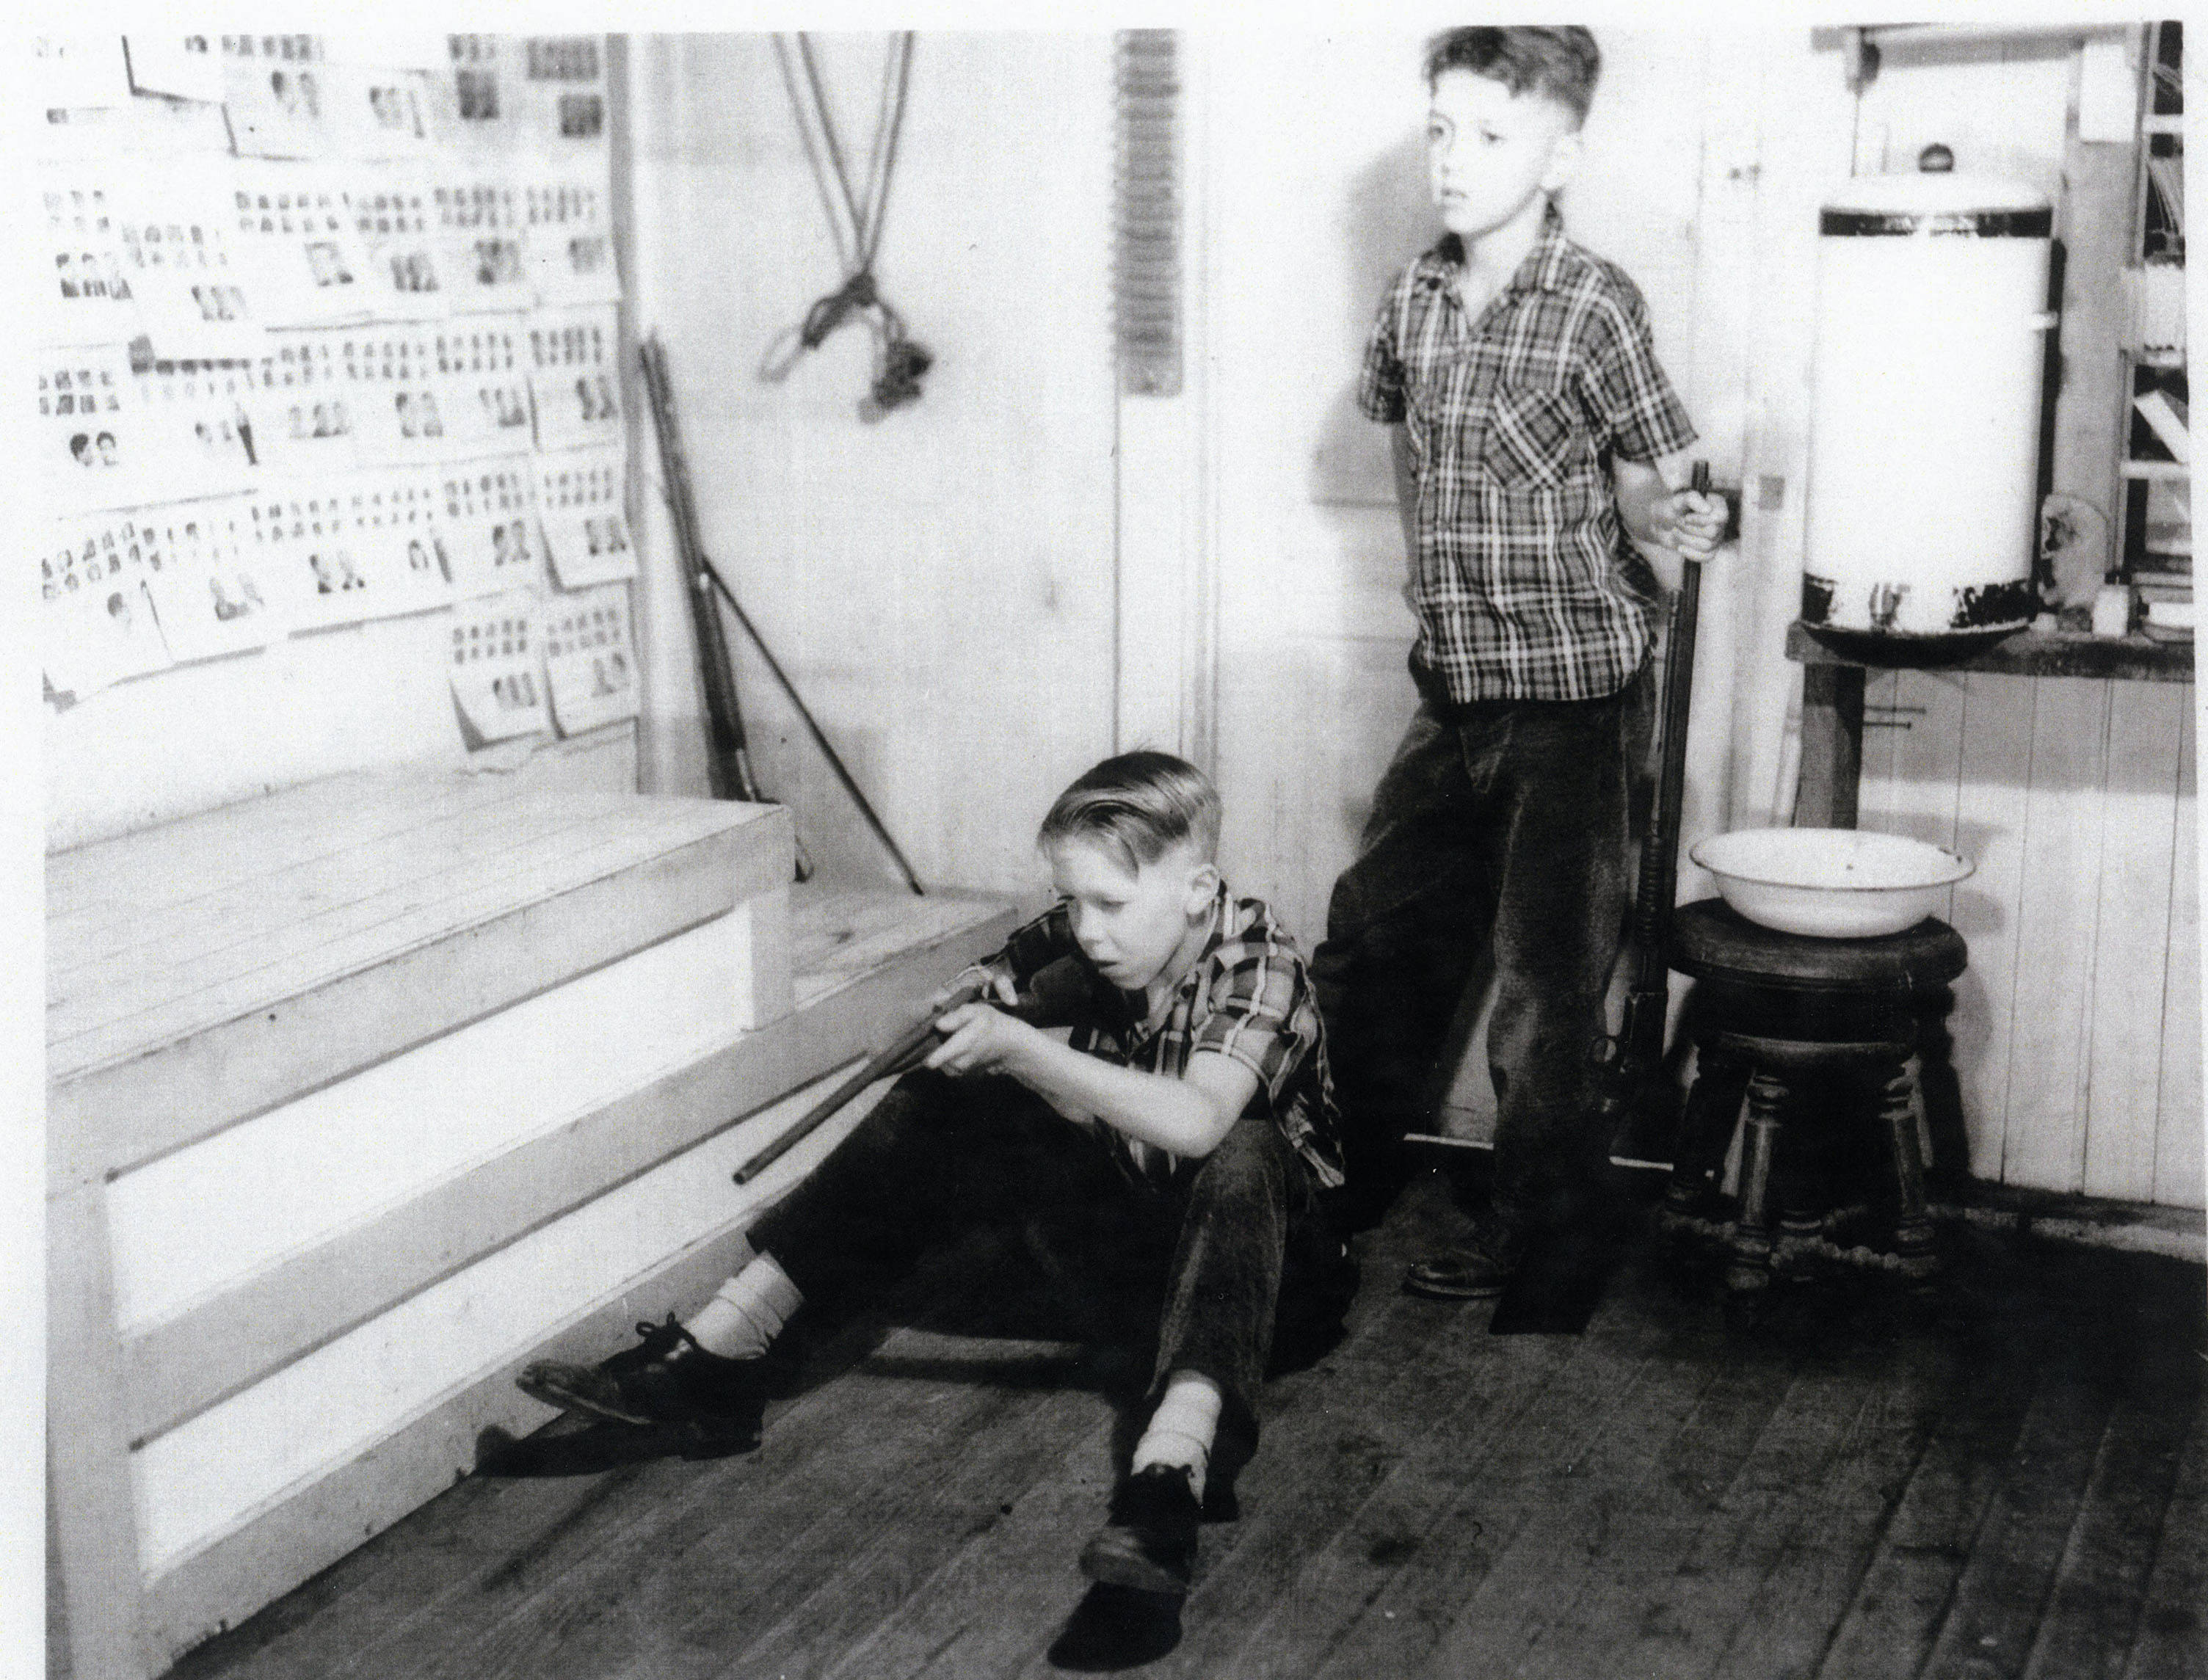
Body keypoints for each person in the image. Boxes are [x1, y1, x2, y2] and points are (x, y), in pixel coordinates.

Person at [517, 751, 1354, 1598]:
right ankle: (717, 1360)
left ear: (1199, 892)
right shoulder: (1097, 932)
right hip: (1141, 1264)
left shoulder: (1262, 966)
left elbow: (1195, 1121)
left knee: (1242, 1148)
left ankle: (1169, 1478)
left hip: (1277, 1290)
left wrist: (1023, 1046)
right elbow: (1018, 963)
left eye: (1110, 904)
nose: (1087, 928)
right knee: (939, 1095)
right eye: (1073, 899)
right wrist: (975, 994)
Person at [1310, 28, 1724, 1297]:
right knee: (1369, 938)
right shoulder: (1411, 296)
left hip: (1573, 705)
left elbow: (1659, 489)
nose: (1450, 158)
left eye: (1487, 134)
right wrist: (1426, 584)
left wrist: (1673, 525)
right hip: (1455, 691)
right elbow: (1401, 448)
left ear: (1562, 154)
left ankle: (1542, 1251)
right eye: (1438, 127)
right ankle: (1337, 1175)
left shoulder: (1595, 302)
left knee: (1545, 996)